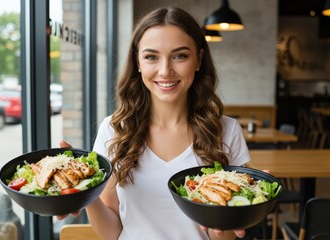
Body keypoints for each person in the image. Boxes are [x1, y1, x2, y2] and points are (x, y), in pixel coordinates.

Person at [58, 7, 250, 240]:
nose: (165, 70)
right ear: (137, 62)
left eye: (180, 56)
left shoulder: (226, 131)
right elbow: (111, 232)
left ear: (199, 59)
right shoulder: (114, 130)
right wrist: (84, 192)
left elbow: (224, 238)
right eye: (151, 57)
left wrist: (236, 213)